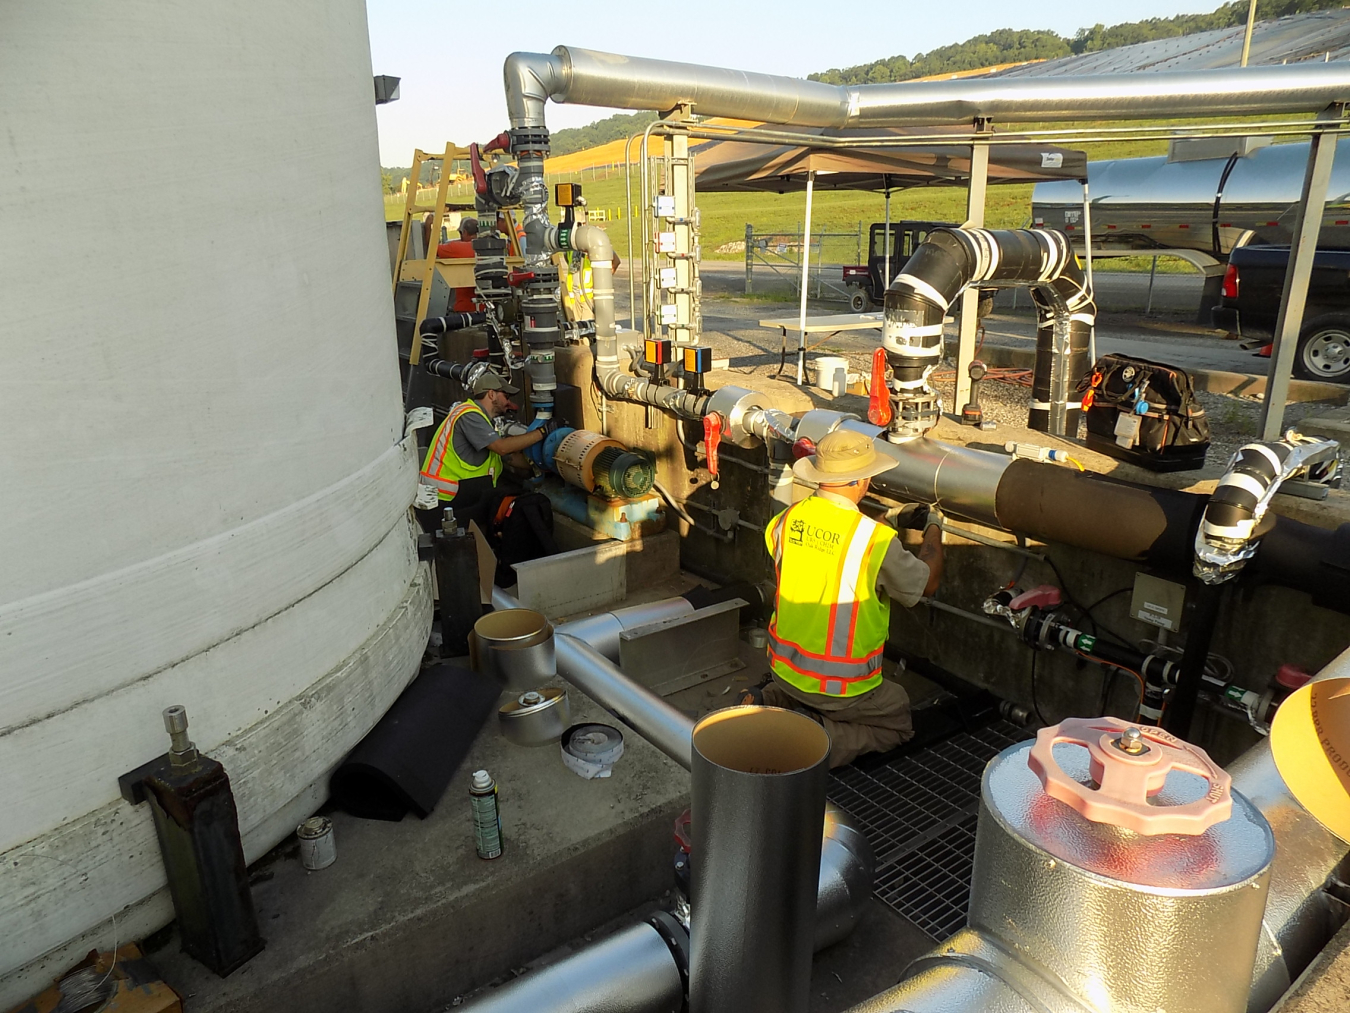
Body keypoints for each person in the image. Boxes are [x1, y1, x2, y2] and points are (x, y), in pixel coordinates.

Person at [756, 428, 944, 768]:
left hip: (784, 668)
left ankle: (768, 698)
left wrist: (884, 520)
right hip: (841, 689)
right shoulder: (875, 540)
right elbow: (925, 583)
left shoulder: (788, 519)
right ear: (862, 480)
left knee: (795, 693)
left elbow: (828, 546)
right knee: (898, 719)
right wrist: (934, 526)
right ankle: (817, 739)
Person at [419, 370, 556, 528]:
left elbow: (509, 458)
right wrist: (543, 432)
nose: (508, 403)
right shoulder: (469, 415)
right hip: (442, 502)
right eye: (506, 396)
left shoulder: (485, 423)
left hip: (460, 498)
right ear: (491, 394)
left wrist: (544, 465)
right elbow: (502, 448)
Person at [436, 217, 481, 313]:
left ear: (464, 232)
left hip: (464, 308)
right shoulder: (490, 247)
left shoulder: (455, 248)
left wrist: (428, 225)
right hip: (488, 307)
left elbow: (432, 249)